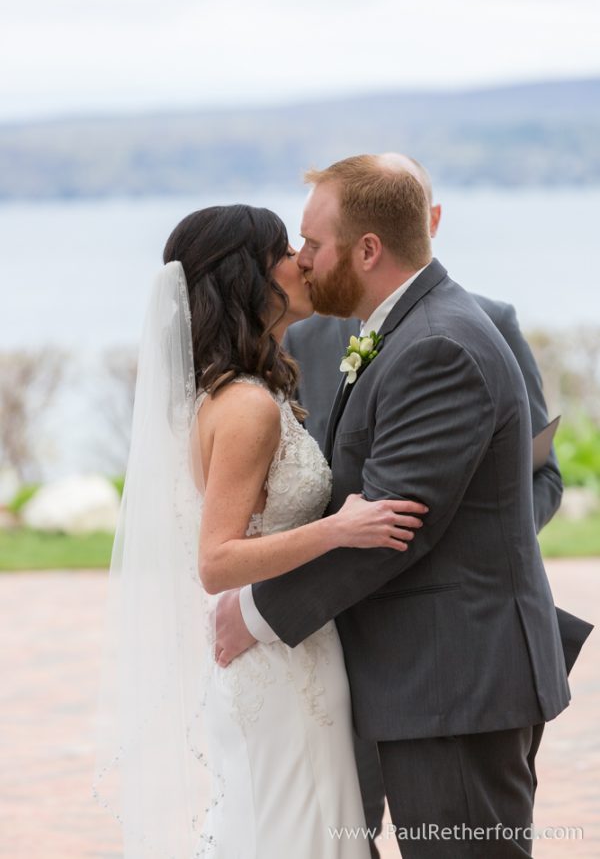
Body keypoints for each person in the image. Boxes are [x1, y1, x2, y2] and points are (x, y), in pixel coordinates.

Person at [215, 157, 572, 858]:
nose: (303, 262)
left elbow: (391, 530)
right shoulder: (404, 331)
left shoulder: (437, 344)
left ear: (369, 249)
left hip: (456, 686)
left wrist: (255, 613)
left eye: (314, 245)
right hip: (424, 678)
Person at [94, 204, 429, 859]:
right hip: (279, 670)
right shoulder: (244, 405)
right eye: (285, 249)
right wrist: (341, 530)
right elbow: (217, 561)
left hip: (289, 653)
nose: (303, 261)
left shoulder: (239, 390)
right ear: (248, 276)